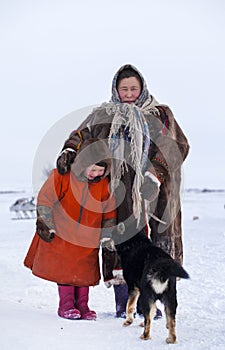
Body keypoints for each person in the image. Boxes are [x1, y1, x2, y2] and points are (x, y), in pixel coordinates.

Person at [56, 64, 190, 318]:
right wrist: (70, 151)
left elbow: (178, 145)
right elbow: (81, 135)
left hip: (155, 190)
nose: (128, 93)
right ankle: (125, 300)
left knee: (157, 244)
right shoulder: (103, 114)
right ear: (116, 90)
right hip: (119, 191)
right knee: (123, 246)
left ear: (142, 89)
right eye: (124, 88)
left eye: (133, 88)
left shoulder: (160, 114)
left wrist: (155, 174)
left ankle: (155, 301)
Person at [24, 138, 117, 321]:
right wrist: (46, 223)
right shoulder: (63, 176)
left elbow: (109, 211)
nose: (95, 173)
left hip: (88, 238)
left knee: (84, 272)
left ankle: (83, 305)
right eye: (93, 168)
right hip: (62, 234)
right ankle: (65, 304)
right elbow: (45, 198)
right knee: (65, 270)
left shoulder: (104, 185)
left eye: (100, 170)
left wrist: (107, 233)